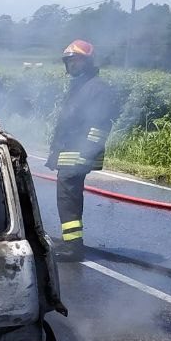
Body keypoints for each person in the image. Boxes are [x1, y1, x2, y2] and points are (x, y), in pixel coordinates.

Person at [46, 39, 118, 260]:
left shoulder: (96, 88)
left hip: (77, 155)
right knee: (68, 198)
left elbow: (101, 125)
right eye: (69, 61)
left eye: (75, 60)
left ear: (86, 61)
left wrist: (86, 151)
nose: (71, 65)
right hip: (69, 153)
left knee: (68, 199)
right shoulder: (80, 86)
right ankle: (72, 243)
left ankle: (73, 247)